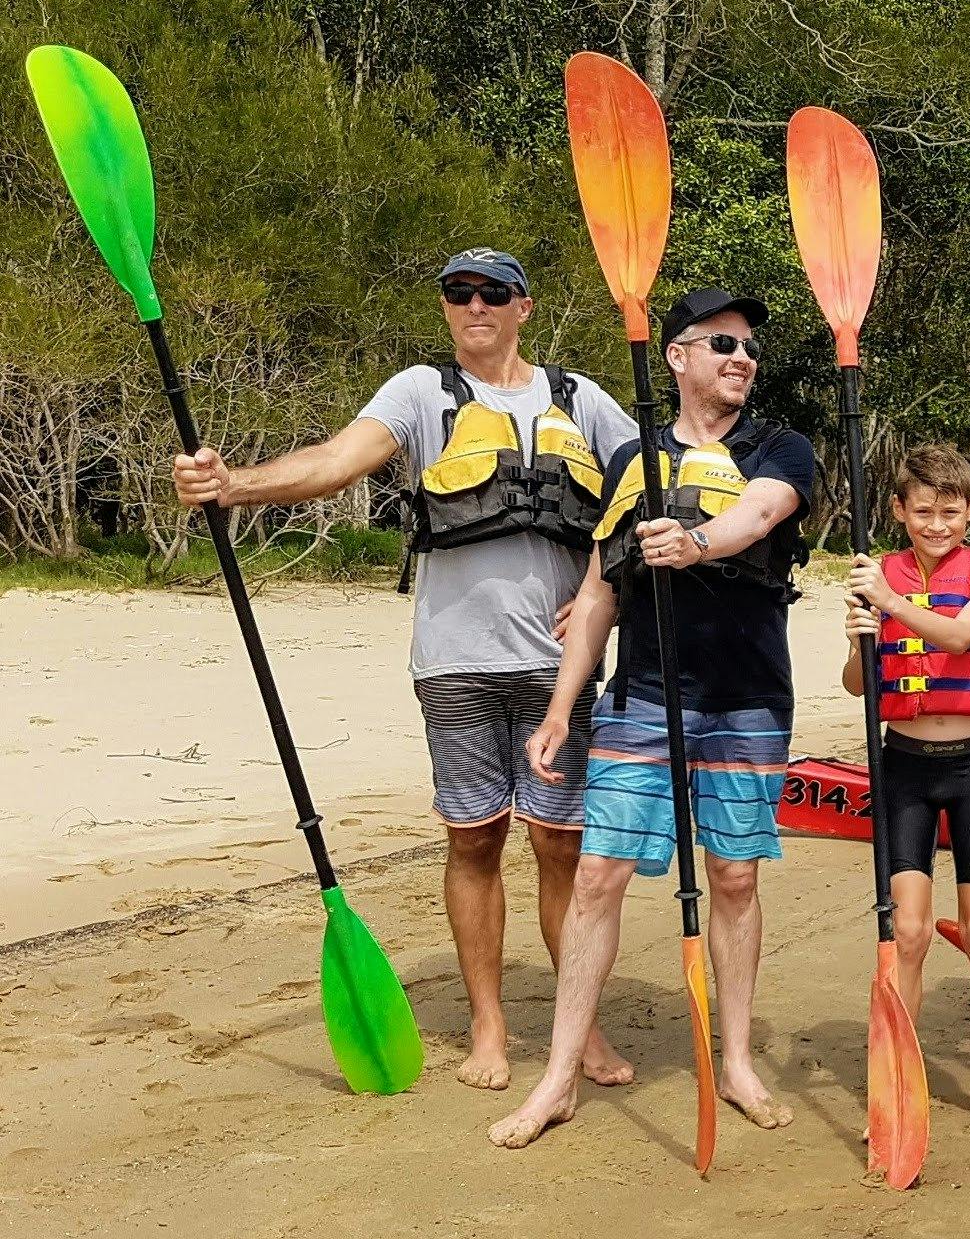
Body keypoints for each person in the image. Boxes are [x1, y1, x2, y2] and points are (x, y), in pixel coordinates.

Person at [172, 248, 638, 1092]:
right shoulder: (421, 392)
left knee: (561, 844)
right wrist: (232, 485)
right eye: (458, 294)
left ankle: (583, 1030)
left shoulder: (582, 400)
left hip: (558, 669)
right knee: (474, 838)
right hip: (454, 663)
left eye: (492, 293)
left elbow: (652, 488)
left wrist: (614, 585)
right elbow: (334, 461)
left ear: (523, 307)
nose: (474, 306)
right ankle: (489, 1027)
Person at [488, 288, 815, 1149]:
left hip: (745, 701)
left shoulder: (779, 446)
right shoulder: (635, 458)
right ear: (676, 357)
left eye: (748, 347)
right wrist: (562, 707)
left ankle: (737, 1061)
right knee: (598, 877)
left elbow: (757, 516)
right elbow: (599, 593)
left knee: (735, 878)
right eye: (721, 344)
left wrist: (694, 541)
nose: (741, 358)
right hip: (639, 701)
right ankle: (558, 1077)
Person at [841, 444, 970, 1148]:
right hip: (905, 768)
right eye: (922, 512)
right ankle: (894, 1077)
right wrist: (863, 635)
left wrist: (887, 602)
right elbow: (860, 686)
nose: (936, 524)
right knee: (908, 932)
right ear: (898, 510)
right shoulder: (873, 575)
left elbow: (958, 635)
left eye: (951, 512)